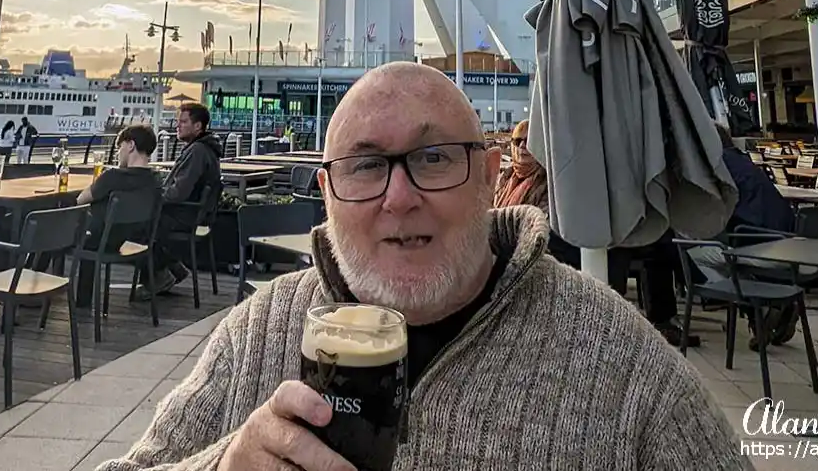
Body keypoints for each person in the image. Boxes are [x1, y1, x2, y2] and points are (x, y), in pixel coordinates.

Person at [97, 62, 749, 471]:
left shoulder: (620, 359)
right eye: (365, 165)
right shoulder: (256, 335)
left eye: (434, 158)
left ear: (488, 179)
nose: (399, 197)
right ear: (326, 193)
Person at [498, 119, 698, 348]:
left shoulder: (551, 180)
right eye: (517, 141)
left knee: (646, 245)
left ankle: (629, 320)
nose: (522, 147)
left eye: (528, 141)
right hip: (535, 249)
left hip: (566, 243)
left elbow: (546, 219)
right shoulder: (508, 179)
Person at [689, 122, 806, 350]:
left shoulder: (719, 169)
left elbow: (709, 216)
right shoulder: (744, 162)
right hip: (788, 244)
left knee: (694, 253)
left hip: (762, 247)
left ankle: (758, 309)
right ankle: (766, 308)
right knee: (724, 252)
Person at [136, 102, 223, 298]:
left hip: (185, 214)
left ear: (198, 126)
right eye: (178, 121)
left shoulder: (198, 151)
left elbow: (179, 192)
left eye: (183, 122)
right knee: (144, 220)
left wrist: (154, 196)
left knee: (139, 224)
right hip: (194, 212)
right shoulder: (203, 149)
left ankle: (159, 276)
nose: (178, 125)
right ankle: (172, 269)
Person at [74, 124, 161, 307]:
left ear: (130, 145)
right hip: (130, 241)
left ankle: (33, 288)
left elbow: (80, 199)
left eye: (120, 146)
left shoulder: (113, 176)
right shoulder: (155, 180)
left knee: (48, 233)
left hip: (98, 241)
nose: (118, 152)